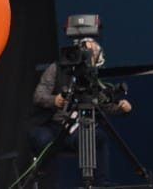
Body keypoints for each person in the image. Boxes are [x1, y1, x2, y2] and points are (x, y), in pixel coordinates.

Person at [23, 38, 132, 184]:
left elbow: (101, 103)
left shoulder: (91, 77)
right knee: (44, 141)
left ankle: (102, 184)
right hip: (50, 125)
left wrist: (121, 109)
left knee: (100, 138)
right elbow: (38, 95)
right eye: (87, 50)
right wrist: (54, 100)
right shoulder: (56, 68)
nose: (89, 54)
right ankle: (46, 185)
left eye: (93, 52)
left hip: (74, 130)